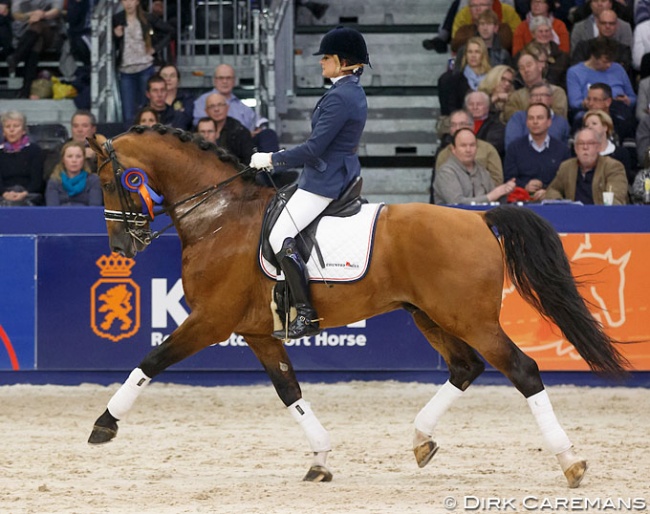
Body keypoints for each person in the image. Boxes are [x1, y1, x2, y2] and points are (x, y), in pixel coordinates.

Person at [248, 26, 369, 340]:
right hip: (330, 171)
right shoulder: (347, 91)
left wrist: (272, 158)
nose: (321, 62)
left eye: (327, 57)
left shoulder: (341, 97)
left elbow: (314, 148)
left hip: (326, 179)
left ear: (344, 62)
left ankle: (305, 314)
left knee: (279, 236)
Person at [112, 0, 173, 123]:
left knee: (147, 110)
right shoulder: (117, 19)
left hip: (145, 67)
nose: (128, 3)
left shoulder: (147, 18)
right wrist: (115, 35)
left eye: (131, 0)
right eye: (125, 0)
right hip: (126, 69)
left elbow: (170, 31)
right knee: (128, 113)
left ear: (137, 2)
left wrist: (155, 48)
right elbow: (108, 43)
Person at [504, 103, 570, 201]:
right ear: (526, 122)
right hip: (521, 202)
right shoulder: (514, 148)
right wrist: (525, 186)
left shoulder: (562, 149)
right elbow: (509, 178)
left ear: (549, 122)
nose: (535, 122)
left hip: (552, 202)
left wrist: (548, 191)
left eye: (539, 118)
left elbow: (565, 181)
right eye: (531, 118)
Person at [545, 128, 628, 204]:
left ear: (598, 147)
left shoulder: (613, 167)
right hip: (574, 215)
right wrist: (561, 203)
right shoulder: (567, 167)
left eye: (590, 143)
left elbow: (616, 198)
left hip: (601, 216)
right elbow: (552, 189)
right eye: (581, 143)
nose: (585, 147)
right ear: (576, 148)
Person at [434, 128, 516, 204]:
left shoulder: (482, 170)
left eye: (472, 145)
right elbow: (457, 202)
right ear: (453, 149)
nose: (468, 150)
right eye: (463, 145)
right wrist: (490, 196)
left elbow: (495, 198)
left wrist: (504, 190)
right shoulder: (445, 172)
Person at [566, 37, 636, 119]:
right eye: (605, 62)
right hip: (590, 111)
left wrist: (627, 100)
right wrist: (588, 102)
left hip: (618, 109)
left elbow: (633, 97)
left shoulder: (618, 68)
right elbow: (574, 103)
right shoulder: (575, 72)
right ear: (593, 57)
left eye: (611, 61)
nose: (609, 65)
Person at [7, 0, 64, 98]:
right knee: (36, 42)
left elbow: (57, 10)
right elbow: (16, 14)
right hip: (26, 33)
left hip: (50, 30)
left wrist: (43, 15)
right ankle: (26, 89)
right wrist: (31, 15)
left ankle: (16, 57)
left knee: (37, 25)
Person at [435, 109, 504, 188]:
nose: (457, 128)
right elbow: (441, 183)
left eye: (462, 124)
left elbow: (497, 180)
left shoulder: (488, 149)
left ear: (472, 126)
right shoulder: (444, 154)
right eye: (453, 125)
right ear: (450, 130)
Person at [504, 48, 568, 120]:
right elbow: (510, 117)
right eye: (521, 68)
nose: (526, 70)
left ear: (540, 66)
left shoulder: (557, 92)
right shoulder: (515, 97)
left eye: (529, 65)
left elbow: (559, 117)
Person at [570, 10, 633, 80]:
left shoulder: (624, 50)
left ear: (617, 25)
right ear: (597, 24)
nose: (607, 26)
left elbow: (622, 73)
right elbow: (577, 70)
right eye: (603, 23)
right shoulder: (582, 46)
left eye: (611, 23)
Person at [505, 81, 570, 148]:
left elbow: (564, 150)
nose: (538, 98)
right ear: (529, 100)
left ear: (550, 99)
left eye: (543, 95)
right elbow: (511, 146)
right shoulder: (518, 118)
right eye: (534, 95)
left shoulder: (561, 122)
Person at [439, 37, 492, 116]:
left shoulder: (492, 78)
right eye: (470, 52)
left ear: (483, 55)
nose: (473, 55)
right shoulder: (456, 80)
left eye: (477, 52)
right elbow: (452, 108)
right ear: (465, 55)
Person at [193, 64, 257, 130]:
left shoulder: (243, 108)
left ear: (234, 81)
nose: (225, 81)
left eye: (228, 78)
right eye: (221, 78)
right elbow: (201, 128)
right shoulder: (202, 102)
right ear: (214, 81)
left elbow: (255, 125)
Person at [0, 110, 44, 204]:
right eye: (8, 127)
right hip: (3, 195)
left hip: (29, 194)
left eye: (16, 126)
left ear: (23, 130)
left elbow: (37, 182)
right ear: (3, 132)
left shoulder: (35, 150)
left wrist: (24, 194)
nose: (12, 130)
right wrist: (4, 193)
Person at [582, 108, 633, 183]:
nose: (590, 127)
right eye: (587, 125)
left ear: (605, 127)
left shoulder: (621, 153)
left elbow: (624, 180)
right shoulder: (582, 153)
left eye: (594, 124)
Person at [45, 141, 102, 206]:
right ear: (63, 160)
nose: (74, 160)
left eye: (78, 156)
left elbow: (94, 209)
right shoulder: (54, 181)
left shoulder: (93, 180)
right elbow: (52, 210)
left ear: (83, 159)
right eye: (70, 156)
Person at [205, 92, 254, 164]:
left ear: (227, 108)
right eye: (212, 106)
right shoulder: (198, 129)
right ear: (206, 111)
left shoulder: (240, 131)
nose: (216, 109)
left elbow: (248, 161)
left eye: (220, 105)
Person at [524, 20, 570, 88]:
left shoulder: (563, 57)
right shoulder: (524, 55)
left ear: (551, 34)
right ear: (533, 34)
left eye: (547, 31)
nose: (544, 34)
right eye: (540, 31)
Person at [465, 90, 506, 158]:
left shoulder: (497, 126)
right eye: (471, 104)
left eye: (479, 104)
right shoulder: (460, 123)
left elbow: (489, 149)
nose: (475, 107)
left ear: (487, 107)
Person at [69, 110, 101, 174]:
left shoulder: (103, 149)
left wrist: (97, 156)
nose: (79, 130)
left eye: (84, 126)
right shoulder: (60, 149)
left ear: (93, 129)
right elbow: (49, 173)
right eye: (75, 126)